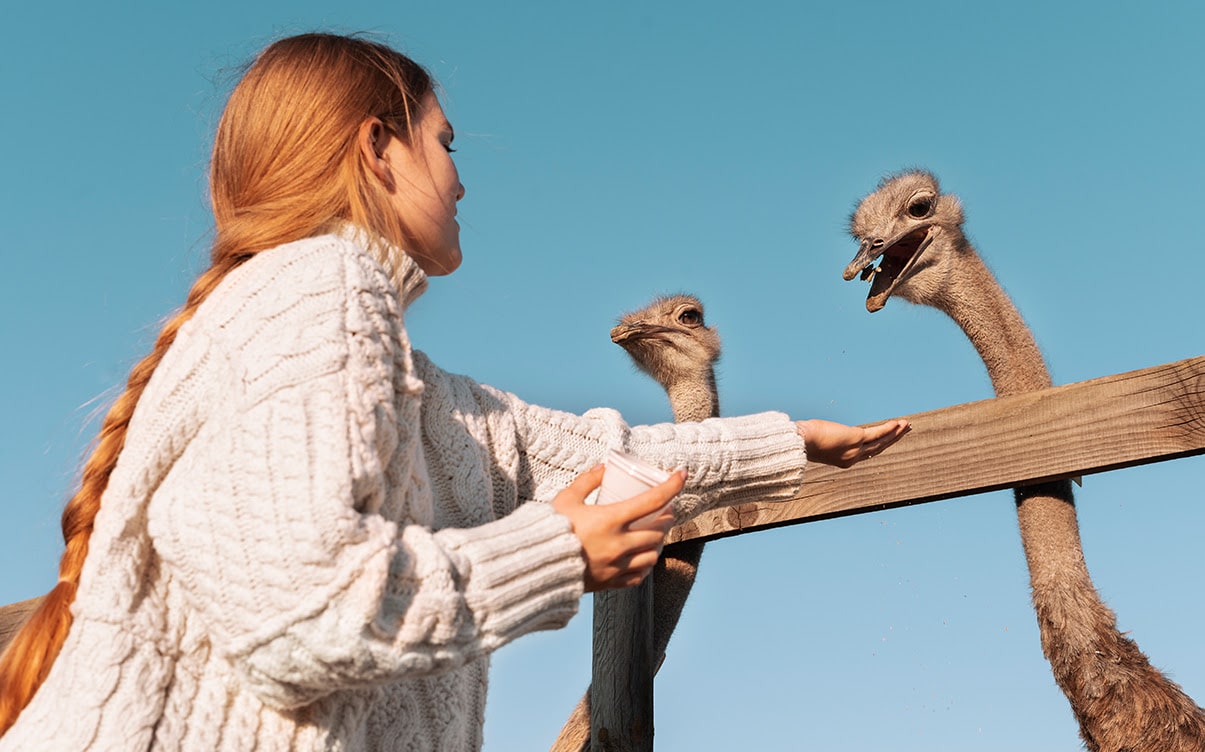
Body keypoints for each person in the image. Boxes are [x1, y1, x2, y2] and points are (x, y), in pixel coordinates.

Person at [0, 33, 909, 751]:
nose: (461, 175)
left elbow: (580, 453)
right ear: (377, 149)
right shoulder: (317, 291)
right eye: (445, 142)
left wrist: (786, 443)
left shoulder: (387, 366)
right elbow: (304, 611)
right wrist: (556, 551)